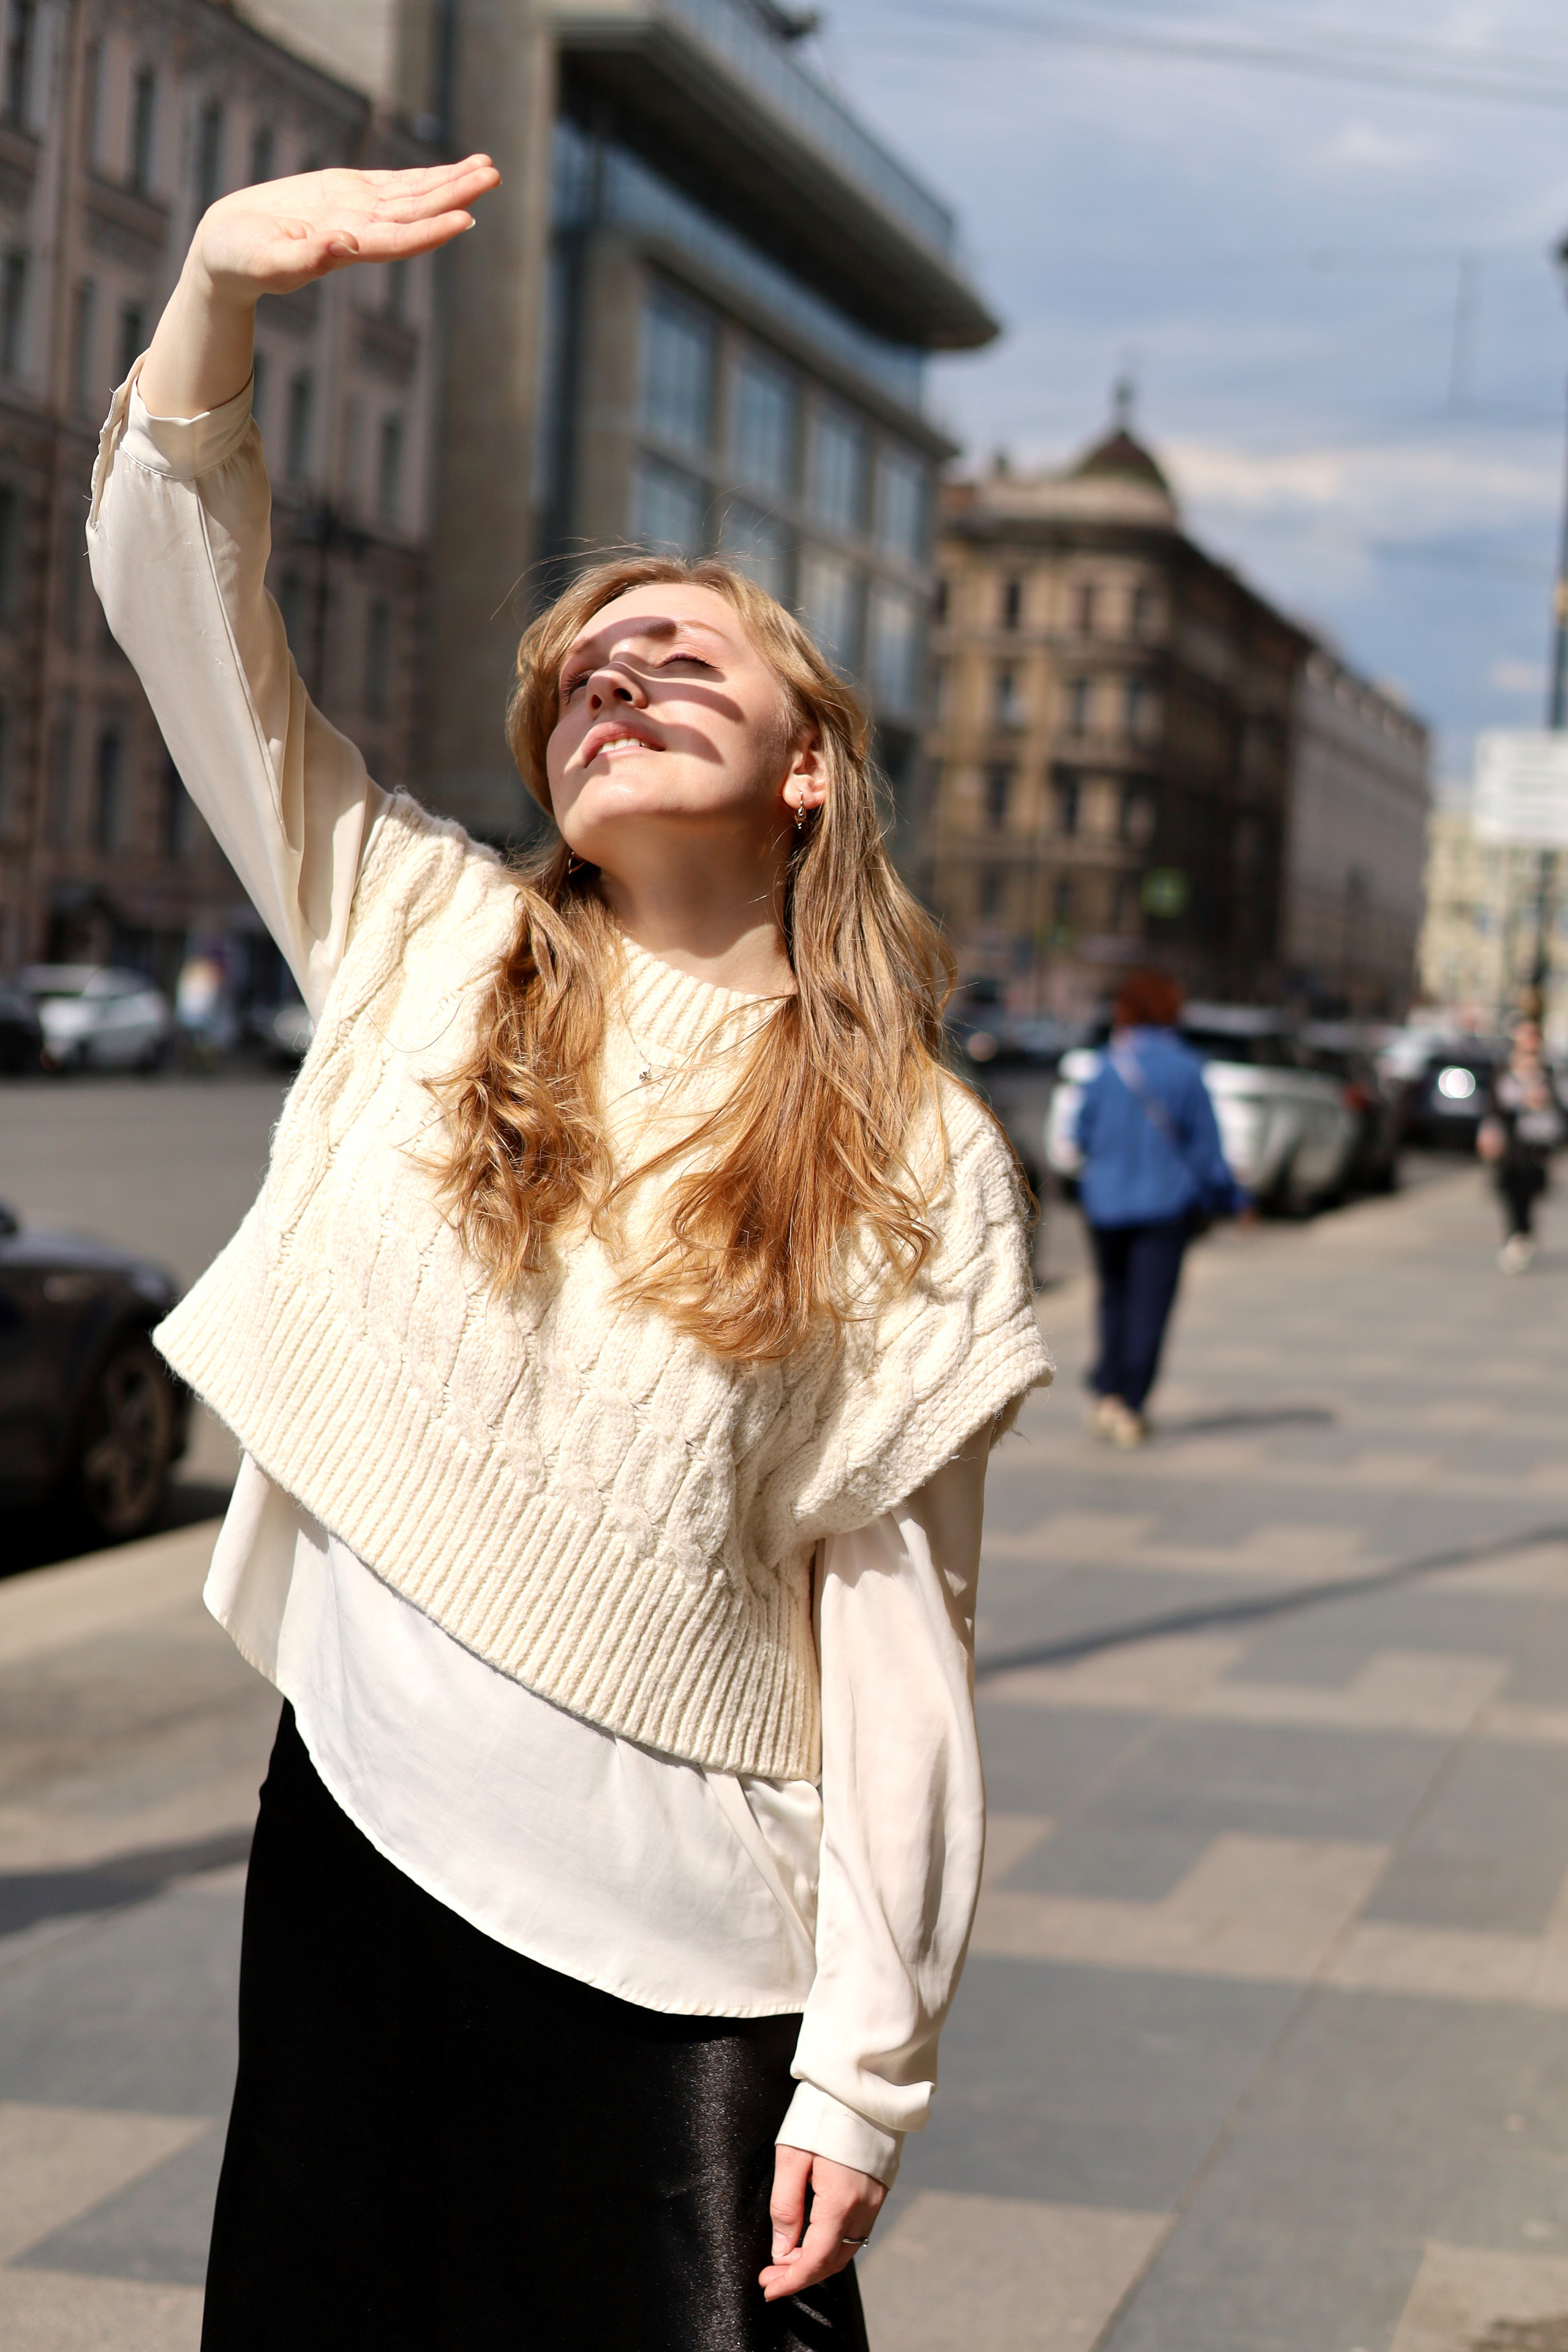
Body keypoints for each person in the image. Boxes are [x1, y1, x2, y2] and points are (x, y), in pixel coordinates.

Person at [86, 159, 1052, 2351]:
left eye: (678, 648)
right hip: (352, 1861)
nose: (613, 673)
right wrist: (220, 284)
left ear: (805, 764)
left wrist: (861, 2060)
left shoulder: (909, 1147)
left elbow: (901, 1639)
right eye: (579, 667)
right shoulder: (422, 931)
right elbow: (174, 583)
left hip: (688, 1969)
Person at [1069, 970, 1243, 1447]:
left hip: (1104, 1205)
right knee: (1150, 1306)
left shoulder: (1108, 1064)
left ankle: (1107, 1392)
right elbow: (1206, 1149)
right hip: (1164, 1208)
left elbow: (1081, 1133)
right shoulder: (1186, 1068)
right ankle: (1130, 1402)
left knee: (1113, 1298)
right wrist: (1233, 1199)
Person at [1477, 1019, 1564, 1272]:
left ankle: (1523, 1235)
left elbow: (1560, 1107)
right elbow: (1495, 1106)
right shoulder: (1504, 1068)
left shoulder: (1548, 1071)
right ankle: (1514, 1237)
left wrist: (1544, 1100)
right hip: (1510, 1142)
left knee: (1529, 1190)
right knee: (1509, 1188)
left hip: (1537, 1143)